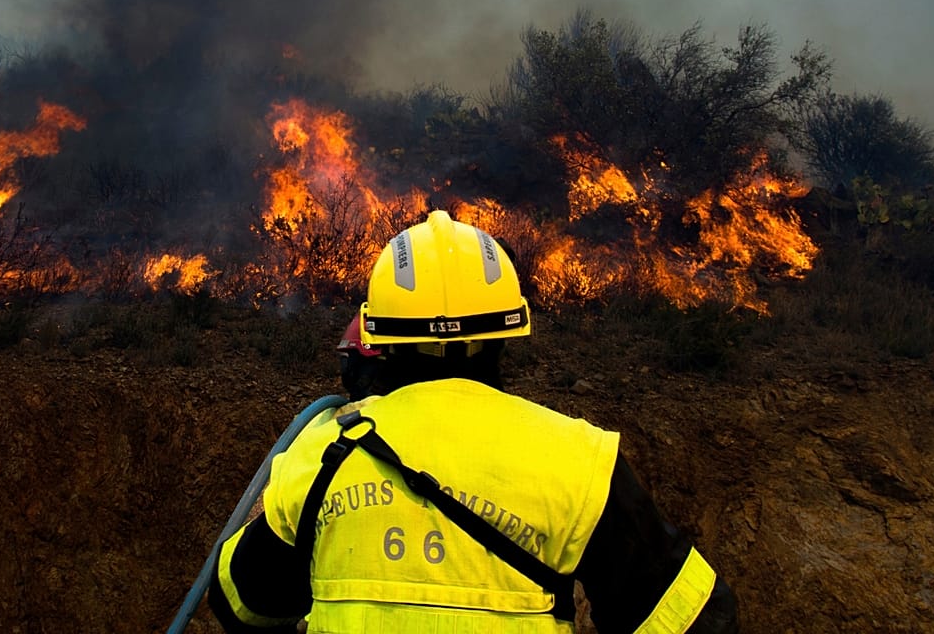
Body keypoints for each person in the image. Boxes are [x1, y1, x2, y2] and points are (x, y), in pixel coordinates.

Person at [210, 210, 738, 633]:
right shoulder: (578, 463)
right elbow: (697, 619)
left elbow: (239, 604)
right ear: (509, 331)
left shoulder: (323, 455)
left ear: (379, 339)